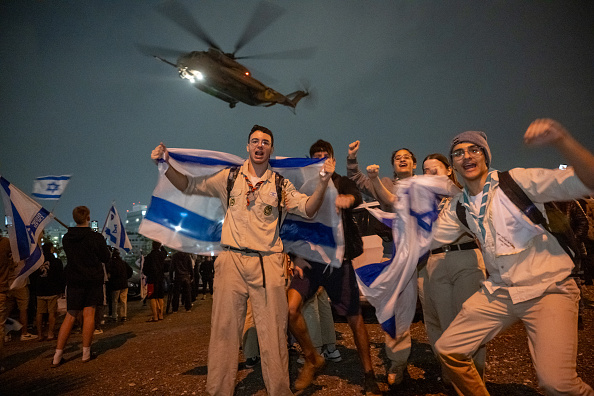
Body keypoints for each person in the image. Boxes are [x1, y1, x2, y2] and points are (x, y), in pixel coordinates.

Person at [150, 124, 334, 396]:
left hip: (268, 263)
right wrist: (165, 164)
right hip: (231, 261)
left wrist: (323, 182)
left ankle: (279, 391)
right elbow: (189, 185)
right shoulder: (228, 178)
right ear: (247, 147)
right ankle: (219, 390)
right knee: (224, 333)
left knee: (273, 335)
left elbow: (308, 209)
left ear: (271, 149)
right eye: (255, 141)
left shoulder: (281, 184)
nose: (260, 146)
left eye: (266, 142)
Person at [430, 120, 594, 395]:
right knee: (449, 350)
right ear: (453, 165)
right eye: (458, 153)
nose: (467, 156)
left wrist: (562, 140)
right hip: (501, 291)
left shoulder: (517, 181)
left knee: (557, 384)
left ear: (485, 155)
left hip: (548, 289)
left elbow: (587, 180)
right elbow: (427, 239)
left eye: (474, 150)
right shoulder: (460, 206)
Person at [368, 153, 487, 383]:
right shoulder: (421, 196)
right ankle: (450, 374)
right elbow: (393, 201)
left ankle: (474, 378)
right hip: (430, 262)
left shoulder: (460, 193)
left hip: (463, 260)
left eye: (435, 170)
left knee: (470, 321)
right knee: (438, 322)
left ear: (449, 170)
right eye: (427, 171)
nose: (430, 175)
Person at [287, 139, 380, 394]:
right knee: (290, 308)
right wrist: (295, 255)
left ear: (332, 159)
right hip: (310, 261)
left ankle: (369, 374)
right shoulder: (303, 186)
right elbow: (295, 220)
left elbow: (356, 195)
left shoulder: (340, 181)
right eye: (315, 156)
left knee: (355, 318)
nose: (320, 160)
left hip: (338, 262)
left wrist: (347, 199)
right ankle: (312, 358)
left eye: (324, 156)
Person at [347, 140, 416, 385]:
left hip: (430, 259)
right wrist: (353, 158)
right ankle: (397, 364)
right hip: (399, 257)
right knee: (399, 311)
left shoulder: (425, 184)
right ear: (394, 166)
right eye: (398, 157)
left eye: (406, 155)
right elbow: (355, 177)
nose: (402, 158)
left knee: (440, 313)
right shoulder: (385, 184)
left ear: (415, 163)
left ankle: (455, 364)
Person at [52, 206, 111, 367]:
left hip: (74, 280)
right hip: (92, 280)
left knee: (70, 316)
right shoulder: (95, 237)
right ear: (88, 218)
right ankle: (86, 353)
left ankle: (57, 355)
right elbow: (105, 257)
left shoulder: (66, 238)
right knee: (89, 315)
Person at [33, 242, 65, 341]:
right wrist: (61, 289)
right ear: (51, 249)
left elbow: (34, 276)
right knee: (52, 312)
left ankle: (40, 335)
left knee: (39, 312)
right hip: (52, 290)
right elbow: (60, 276)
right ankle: (50, 333)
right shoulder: (56, 261)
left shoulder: (37, 261)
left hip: (40, 290)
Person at [143, 241, 167, 322]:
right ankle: (161, 315)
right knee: (160, 297)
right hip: (161, 279)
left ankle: (155, 316)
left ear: (152, 246)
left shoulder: (149, 257)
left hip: (152, 279)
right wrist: (162, 246)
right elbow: (165, 252)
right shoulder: (162, 255)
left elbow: (145, 270)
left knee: (152, 297)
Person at [108, 248, 132, 322]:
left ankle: (114, 316)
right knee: (123, 301)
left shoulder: (111, 263)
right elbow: (130, 271)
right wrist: (126, 278)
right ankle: (123, 315)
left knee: (114, 301)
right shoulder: (123, 262)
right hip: (124, 284)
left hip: (115, 285)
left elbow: (110, 274)